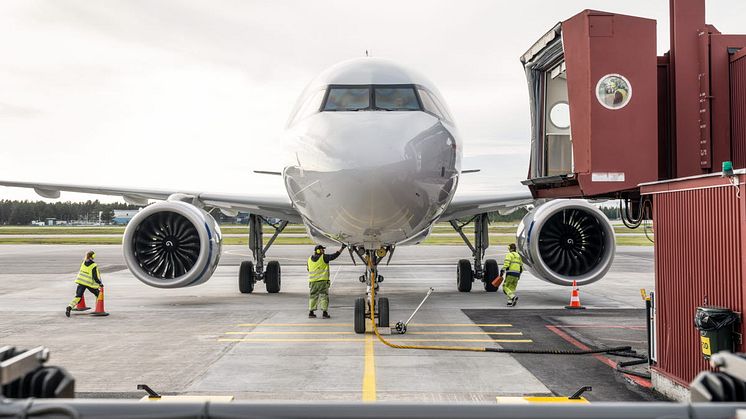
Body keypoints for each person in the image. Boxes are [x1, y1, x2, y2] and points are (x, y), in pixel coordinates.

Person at [307, 244, 346, 318]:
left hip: (313, 282)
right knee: (324, 297)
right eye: (322, 249)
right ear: (318, 251)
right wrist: (342, 248)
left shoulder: (309, 259)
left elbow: (308, 269)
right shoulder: (324, 257)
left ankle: (311, 312)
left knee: (312, 296)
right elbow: (334, 256)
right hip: (322, 282)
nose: (323, 251)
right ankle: (324, 313)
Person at [65, 250, 103, 317]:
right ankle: (98, 309)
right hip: (89, 283)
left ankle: (69, 307)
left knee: (78, 296)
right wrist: (100, 283)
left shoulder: (83, 262)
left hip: (81, 282)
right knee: (98, 294)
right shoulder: (93, 265)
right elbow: (95, 277)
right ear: (93, 256)